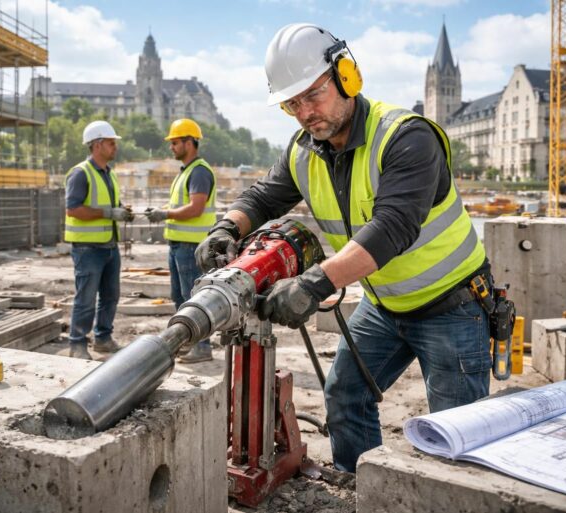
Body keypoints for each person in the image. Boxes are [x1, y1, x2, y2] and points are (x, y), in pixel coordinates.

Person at [195, 23, 492, 472]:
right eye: (292, 104)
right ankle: (357, 484)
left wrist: (312, 284)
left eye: (313, 95)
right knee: (344, 395)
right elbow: (262, 197)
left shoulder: (406, 137)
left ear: (346, 75)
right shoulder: (303, 150)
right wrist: (226, 228)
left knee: (455, 434)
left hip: (452, 305)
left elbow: (391, 229)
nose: (304, 112)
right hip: (385, 304)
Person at [147, 119, 217, 363]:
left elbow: (195, 208)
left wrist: (164, 214)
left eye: (175, 142)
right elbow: (182, 205)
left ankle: (202, 347)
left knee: (193, 299)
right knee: (180, 297)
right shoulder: (186, 172)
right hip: (179, 245)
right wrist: (163, 210)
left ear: (189, 142)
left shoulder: (199, 171)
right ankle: (189, 342)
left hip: (191, 246)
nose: (171, 147)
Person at [64, 120, 133, 360]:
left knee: (110, 296)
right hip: (88, 248)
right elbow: (73, 209)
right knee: (85, 298)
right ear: (97, 145)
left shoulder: (109, 174)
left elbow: (110, 206)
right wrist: (108, 213)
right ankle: (77, 344)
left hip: (109, 246)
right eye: (111, 143)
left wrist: (121, 211)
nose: (115, 147)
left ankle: (103, 338)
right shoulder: (80, 173)